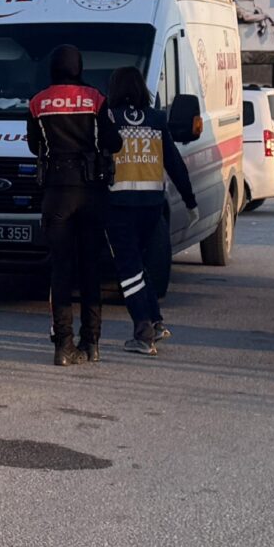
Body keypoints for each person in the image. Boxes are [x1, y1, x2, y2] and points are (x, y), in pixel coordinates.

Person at [26, 44, 119, 366]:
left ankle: (63, 345)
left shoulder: (38, 102)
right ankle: (91, 342)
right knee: (90, 268)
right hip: (92, 190)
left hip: (56, 191)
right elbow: (113, 142)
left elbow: (33, 145)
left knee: (61, 269)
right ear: (79, 66)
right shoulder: (95, 98)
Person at [102, 65, 196, 355]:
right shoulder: (156, 119)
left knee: (128, 270)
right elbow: (175, 163)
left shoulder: (108, 118)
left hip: (119, 205)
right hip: (152, 206)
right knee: (139, 266)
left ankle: (143, 333)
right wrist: (190, 201)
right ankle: (155, 322)